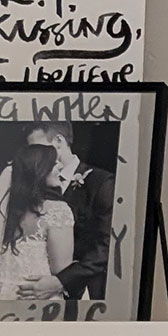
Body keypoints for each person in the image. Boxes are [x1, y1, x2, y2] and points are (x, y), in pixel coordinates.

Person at [25, 122, 115, 305]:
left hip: (83, 294)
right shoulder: (32, 187)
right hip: (34, 292)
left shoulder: (101, 183)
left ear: (59, 140)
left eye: (38, 148)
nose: (34, 156)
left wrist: (61, 281)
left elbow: (106, 246)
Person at [0, 142, 75, 305]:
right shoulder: (58, 211)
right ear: (39, 170)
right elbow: (61, 271)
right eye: (53, 163)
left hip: (0, 301)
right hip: (38, 302)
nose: (60, 166)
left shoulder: (4, 211)